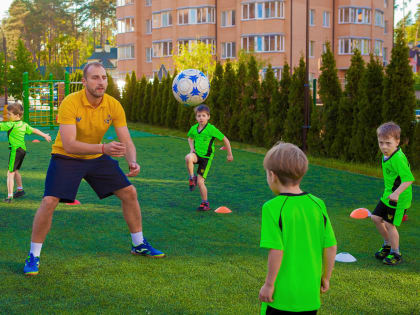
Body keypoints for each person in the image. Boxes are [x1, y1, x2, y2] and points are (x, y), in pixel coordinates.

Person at [23, 62, 165, 276]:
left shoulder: (113, 105)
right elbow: (69, 143)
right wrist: (103, 148)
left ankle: (138, 244)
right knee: (49, 200)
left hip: (97, 156)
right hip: (66, 156)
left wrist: (132, 161)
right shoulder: (70, 102)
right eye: (95, 78)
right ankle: (34, 255)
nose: (101, 82)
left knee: (129, 192)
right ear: (84, 81)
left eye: (104, 77)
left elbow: (126, 140)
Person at [259, 142, 337, 314]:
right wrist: (326, 277)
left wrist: (269, 284)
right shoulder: (318, 204)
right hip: (310, 295)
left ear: (272, 175)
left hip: (281, 297)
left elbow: (277, 250)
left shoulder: (272, 207)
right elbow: (331, 246)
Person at [371, 122, 414, 265]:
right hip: (388, 195)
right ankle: (387, 244)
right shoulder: (386, 155)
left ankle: (396, 253)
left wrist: (396, 194)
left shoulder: (398, 158)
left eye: (388, 143)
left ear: (397, 141)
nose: (384, 147)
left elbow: (408, 179)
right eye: (381, 143)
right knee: (376, 218)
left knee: (390, 224)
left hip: (399, 198)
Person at [185, 104, 233, 211]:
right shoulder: (194, 128)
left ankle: (205, 203)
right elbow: (190, 138)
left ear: (208, 117)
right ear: (196, 117)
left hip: (206, 159)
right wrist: (192, 149)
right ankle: (191, 178)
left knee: (200, 182)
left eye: (203, 115)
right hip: (196, 155)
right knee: (188, 157)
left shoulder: (211, 129)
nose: (201, 118)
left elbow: (225, 139)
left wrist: (229, 154)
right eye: (198, 116)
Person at [0, 102, 51, 203]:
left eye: (9, 114)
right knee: (15, 171)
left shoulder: (11, 124)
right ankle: (20, 190)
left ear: (17, 115)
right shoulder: (23, 124)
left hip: (16, 150)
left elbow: (2, 125)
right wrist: (44, 135)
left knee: (10, 173)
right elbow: (34, 130)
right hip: (22, 150)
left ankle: (9, 197)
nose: (7, 116)